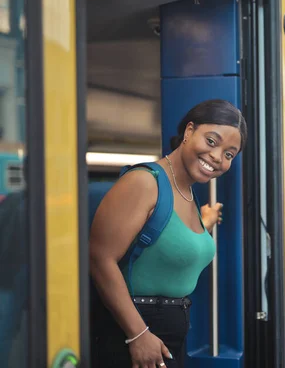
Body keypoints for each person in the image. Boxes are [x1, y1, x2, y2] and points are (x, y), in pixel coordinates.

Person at [90, 99, 247, 367]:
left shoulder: (186, 192)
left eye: (229, 154)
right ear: (189, 132)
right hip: (132, 333)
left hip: (165, 336)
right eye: (211, 141)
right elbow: (99, 257)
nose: (218, 157)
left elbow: (165, 244)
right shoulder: (144, 182)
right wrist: (137, 335)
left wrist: (203, 226)